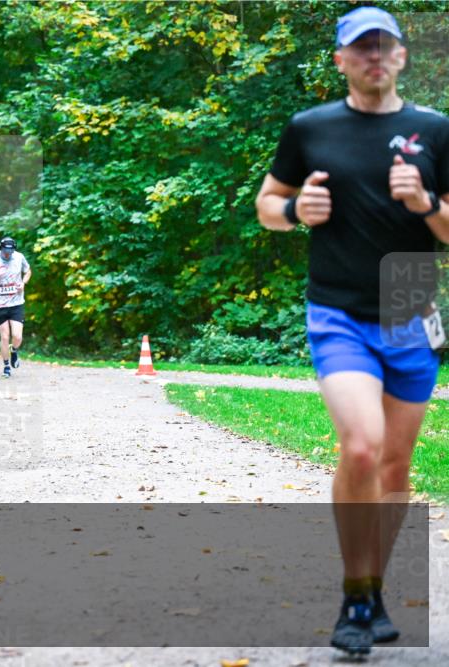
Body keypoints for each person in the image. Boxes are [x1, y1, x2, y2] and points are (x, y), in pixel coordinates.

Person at [255, 6, 448, 656]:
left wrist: (427, 205)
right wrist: (292, 208)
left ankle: (374, 588)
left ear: (400, 56)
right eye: (360, 48)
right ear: (340, 60)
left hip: (411, 305)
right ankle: (354, 592)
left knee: (396, 465)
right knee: (361, 447)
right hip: (337, 308)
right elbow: (266, 206)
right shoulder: (311, 128)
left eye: (383, 47)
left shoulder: (435, 131)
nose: (373, 57)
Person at [0, 237, 31, 378]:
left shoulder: (19, 257)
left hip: (16, 303)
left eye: (10, 251)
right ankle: (6, 366)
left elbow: (28, 271)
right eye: (5, 251)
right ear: (0, 249)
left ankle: (14, 350)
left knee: (17, 336)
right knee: (4, 336)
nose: (8, 254)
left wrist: (23, 282)